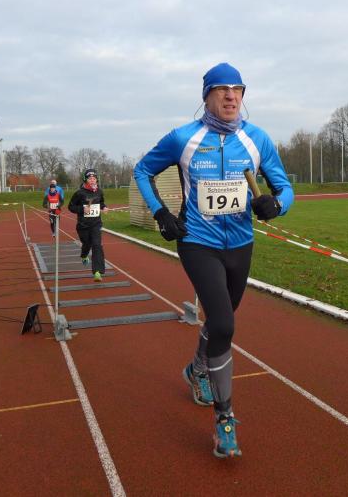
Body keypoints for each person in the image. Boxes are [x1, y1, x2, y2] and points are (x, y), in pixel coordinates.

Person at [133, 62, 294, 458]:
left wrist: (276, 206)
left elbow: (285, 187)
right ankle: (225, 418)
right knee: (223, 323)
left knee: (221, 323)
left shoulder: (257, 139)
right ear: (206, 95)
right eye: (222, 89)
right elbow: (142, 170)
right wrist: (160, 212)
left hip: (240, 244)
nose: (230, 96)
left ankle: (196, 368)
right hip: (198, 242)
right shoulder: (183, 138)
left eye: (237, 89)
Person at [67, 169, 109, 281]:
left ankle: (97, 272)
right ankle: (84, 255)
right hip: (83, 225)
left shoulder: (99, 191)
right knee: (87, 244)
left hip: (96, 224)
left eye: (94, 178)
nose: (92, 180)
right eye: (90, 178)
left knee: (97, 245)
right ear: (85, 180)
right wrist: (82, 209)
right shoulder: (79, 193)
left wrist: (104, 207)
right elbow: (71, 207)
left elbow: (101, 202)